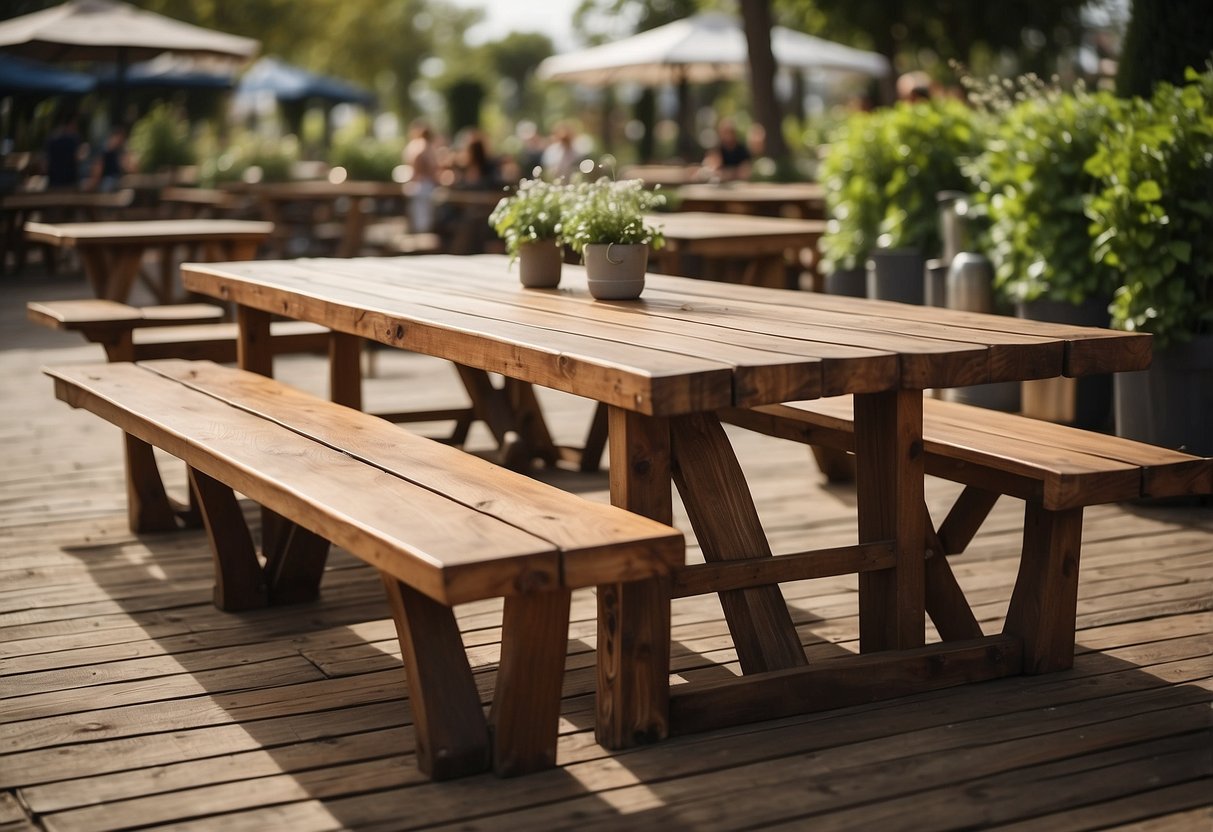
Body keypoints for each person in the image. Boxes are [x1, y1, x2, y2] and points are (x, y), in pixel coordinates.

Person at [403, 120, 439, 233]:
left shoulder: (412, 145)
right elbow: (430, 168)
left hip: (413, 184)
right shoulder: (424, 146)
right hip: (424, 185)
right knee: (423, 218)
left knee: (416, 215)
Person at [44, 114, 84, 190]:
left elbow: (45, 162)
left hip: (54, 181)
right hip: (69, 181)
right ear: (71, 124)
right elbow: (77, 158)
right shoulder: (74, 139)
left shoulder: (50, 139)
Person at [87, 126, 131, 192]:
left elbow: (129, 167)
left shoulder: (120, 151)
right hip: (107, 180)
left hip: (117, 179)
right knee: (108, 184)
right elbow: (98, 169)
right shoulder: (105, 150)